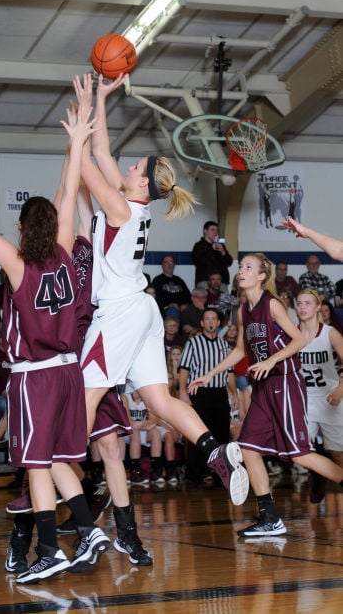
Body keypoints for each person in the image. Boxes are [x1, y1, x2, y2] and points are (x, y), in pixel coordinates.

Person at [0, 112, 111, 584]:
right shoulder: (69, 254)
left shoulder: (16, 265)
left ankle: (49, 550)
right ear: (55, 227)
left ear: (20, 226)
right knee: (57, 462)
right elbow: (68, 194)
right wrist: (75, 143)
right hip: (72, 370)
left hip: (36, 376)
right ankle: (89, 530)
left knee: (35, 465)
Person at [74, 71, 249, 532]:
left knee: (86, 396)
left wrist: (78, 131)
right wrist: (100, 96)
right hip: (144, 311)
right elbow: (102, 152)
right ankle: (215, 451)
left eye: (136, 166)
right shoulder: (136, 206)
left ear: (142, 183)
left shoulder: (117, 206)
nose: (129, 165)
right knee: (160, 398)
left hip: (121, 313)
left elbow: (87, 160)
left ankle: (66, 475)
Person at [188, 252, 343, 537]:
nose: (242, 271)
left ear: (262, 276)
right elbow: (239, 351)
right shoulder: (243, 309)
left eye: (249, 267)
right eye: (241, 266)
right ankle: (269, 517)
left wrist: (272, 360)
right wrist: (210, 374)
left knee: (300, 455)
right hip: (263, 386)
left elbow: (298, 340)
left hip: (285, 381)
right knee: (248, 447)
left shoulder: (272, 304)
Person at [179, 308, 237, 487]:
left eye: (214, 319)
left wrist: (234, 393)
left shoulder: (224, 344)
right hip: (200, 393)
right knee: (199, 434)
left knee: (221, 434)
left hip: (219, 393)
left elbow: (230, 372)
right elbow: (184, 369)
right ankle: (195, 473)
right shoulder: (193, 343)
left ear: (219, 323)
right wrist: (182, 392)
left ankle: (221, 473)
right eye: (207, 319)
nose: (211, 322)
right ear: (202, 323)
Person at [296, 288, 343, 503]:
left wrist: (341, 389)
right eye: (299, 303)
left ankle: (323, 470)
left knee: (338, 454)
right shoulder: (292, 333)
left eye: (307, 303)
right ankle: (318, 472)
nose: (302, 307)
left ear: (317, 308)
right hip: (304, 399)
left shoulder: (330, 333)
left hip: (331, 397)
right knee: (299, 451)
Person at [192, 220, 233, 290]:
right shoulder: (199, 245)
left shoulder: (220, 245)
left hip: (221, 282)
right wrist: (211, 249)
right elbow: (200, 260)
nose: (215, 232)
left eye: (217, 230)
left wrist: (223, 251)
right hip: (205, 282)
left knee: (224, 301)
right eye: (212, 230)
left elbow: (229, 262)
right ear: (205, 231)